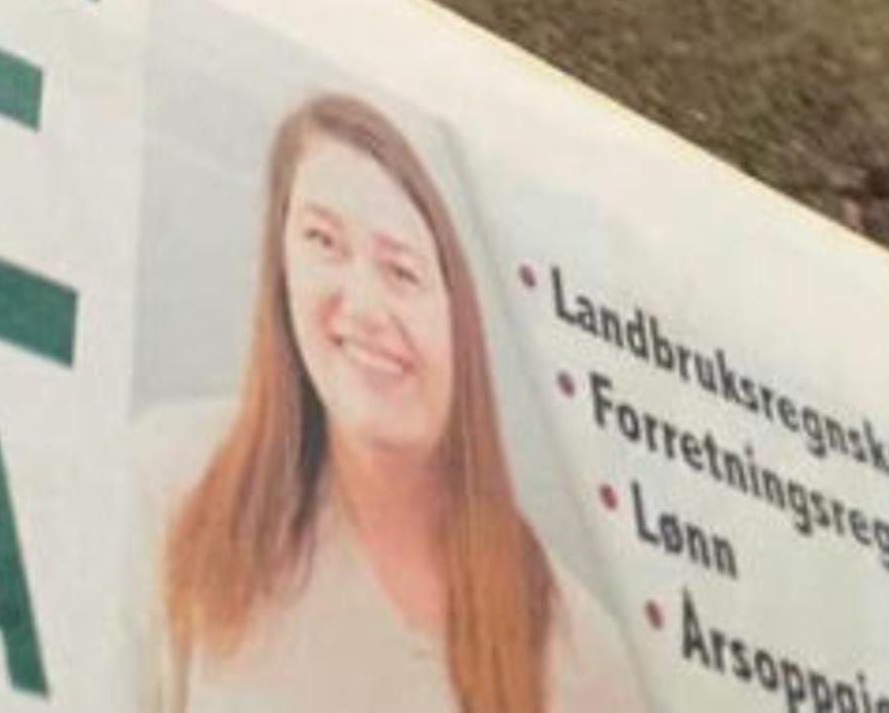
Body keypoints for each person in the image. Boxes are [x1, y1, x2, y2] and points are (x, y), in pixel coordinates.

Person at [136, 94, 642, 713]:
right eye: (324, 241)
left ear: (463, 317)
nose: (363, 306)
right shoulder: (171, 481)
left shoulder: (581, 656)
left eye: (402, 272)